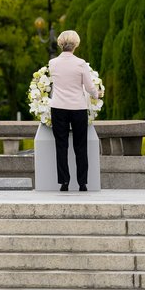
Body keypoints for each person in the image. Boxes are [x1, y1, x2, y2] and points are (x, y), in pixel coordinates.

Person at [48, 29, 99, 192]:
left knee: (61, 146)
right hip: (77, 107)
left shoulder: (53, 63)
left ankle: (64, 182)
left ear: (61, 44)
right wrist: (97, 94)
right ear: (76, 44)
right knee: (80, 146)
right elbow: (90, 87)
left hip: (58, 107)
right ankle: (82, 182)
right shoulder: (81, 63)